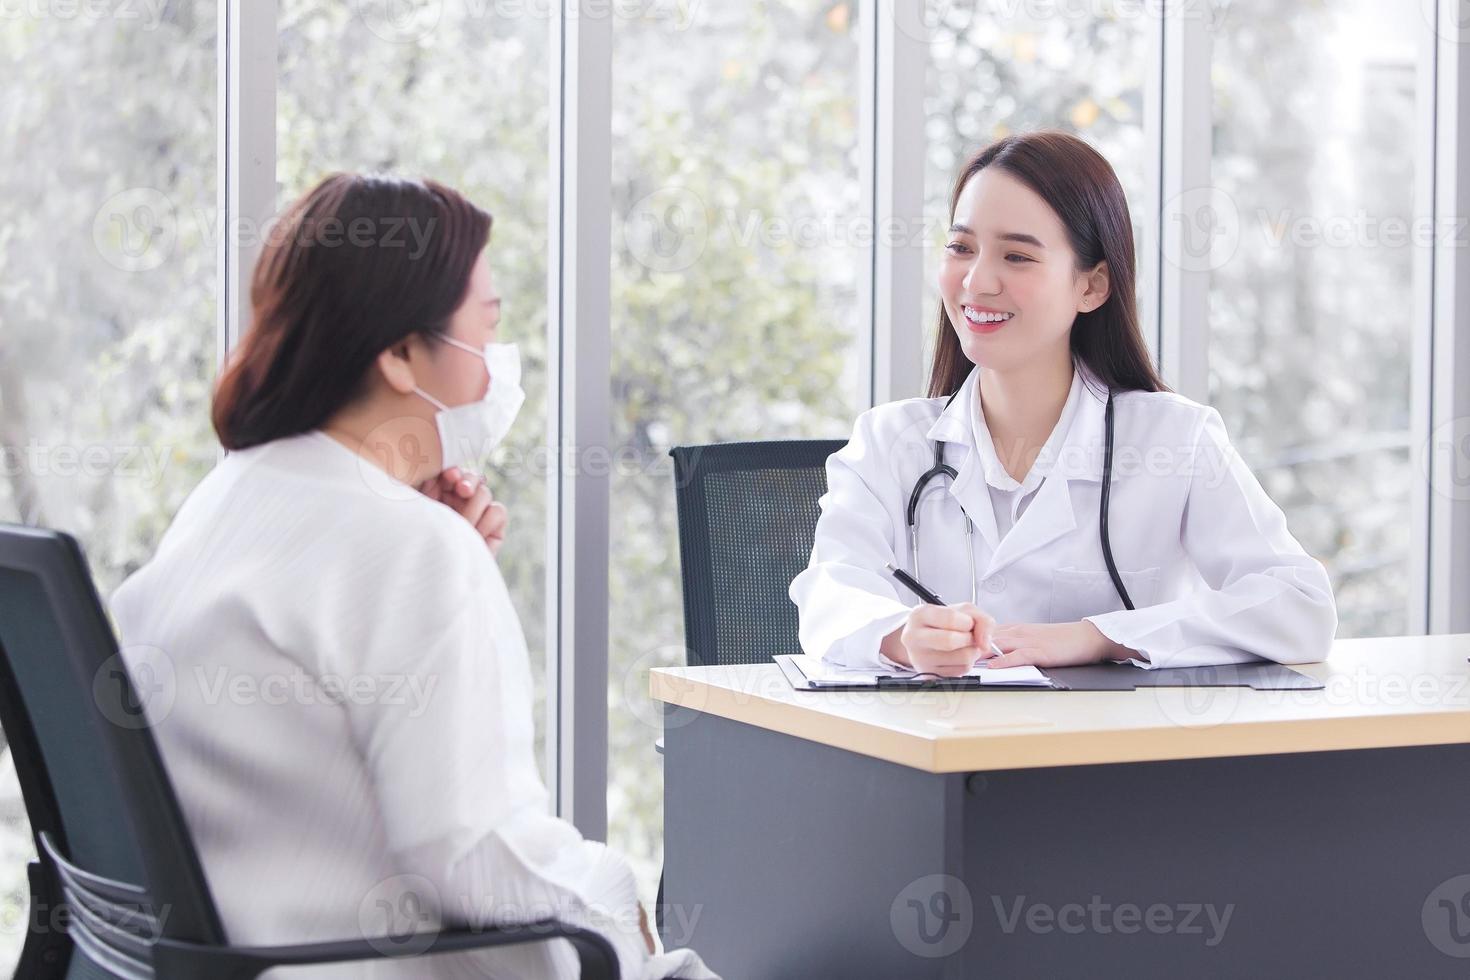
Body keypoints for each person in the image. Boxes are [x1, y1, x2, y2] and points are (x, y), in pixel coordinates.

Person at [110, 173, 717, 979]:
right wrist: (620, 905)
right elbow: (472, 862)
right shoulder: (408, 547)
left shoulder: (230, 500)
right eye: (486, 329)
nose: (497, 367)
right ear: (399, 354)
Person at [789, 130, 1337, 678]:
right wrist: (899, 638)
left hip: (1105, 757)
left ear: (1092, 287)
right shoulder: (890, 441)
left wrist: (1099, 637)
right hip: (939, 752)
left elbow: (1299, 606)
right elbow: (829, 592)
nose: (978, 280)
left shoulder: (1175, 440)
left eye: (1018, 256)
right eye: (961, 248)